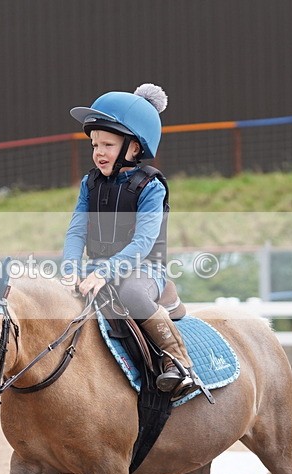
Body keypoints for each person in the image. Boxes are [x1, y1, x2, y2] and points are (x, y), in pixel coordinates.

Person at [61, 83, 197, 397]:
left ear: (134, 148)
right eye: (95, 145)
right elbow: (76, 231)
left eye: (108, 144)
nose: (99, 153)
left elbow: (143, 243)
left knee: (132, 294)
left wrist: (103, 273)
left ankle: (178, 362)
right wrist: (69, 268)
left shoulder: (151, 186)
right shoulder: (89, 183)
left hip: (143, 270)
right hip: (96, 269)